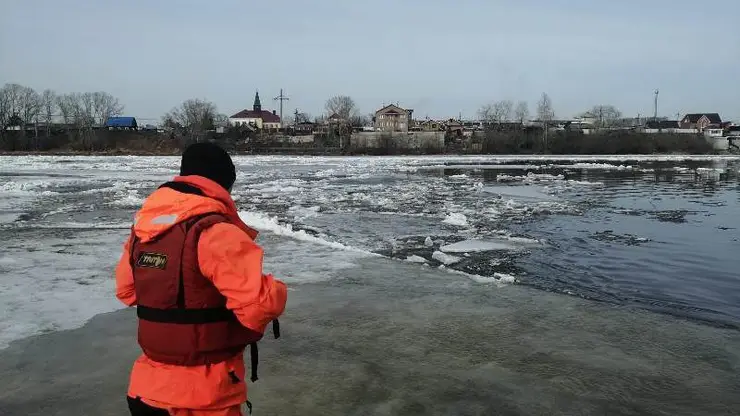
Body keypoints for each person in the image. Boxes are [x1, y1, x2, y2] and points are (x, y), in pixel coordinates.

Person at [115, 142, 287, 416]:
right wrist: (277, 290)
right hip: (202, 398)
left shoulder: (143, 231)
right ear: (223, 184)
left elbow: (126, 291)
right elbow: (260, 306)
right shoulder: (215, 232)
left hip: (146, 392)